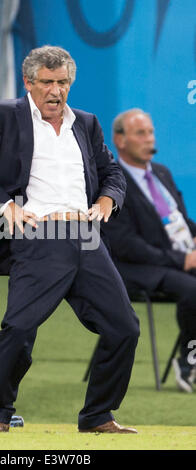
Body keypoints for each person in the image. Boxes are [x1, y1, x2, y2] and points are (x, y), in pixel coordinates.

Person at [0, 46, 140, 433]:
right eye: (48, 82)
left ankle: (98, 416)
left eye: (63, 82)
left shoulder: (85, 122)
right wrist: (4, 206)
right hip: (39, 234)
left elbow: (112, 172)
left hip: (85, 236)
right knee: (19, 328)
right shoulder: (3, 115)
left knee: (124, 328)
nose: (56, 91)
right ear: (29, 83)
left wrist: (107, 199)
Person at [102, 108, 196, 393]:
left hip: (178, 258)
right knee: (193, 289)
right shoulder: (113, 182)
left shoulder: (162, 173)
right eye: (140, 133)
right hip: (137, 268)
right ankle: (189, 362)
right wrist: (182, 260)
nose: (148, 139)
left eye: (151, 132)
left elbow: (182, 220)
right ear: (120, 140)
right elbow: (125, 244)